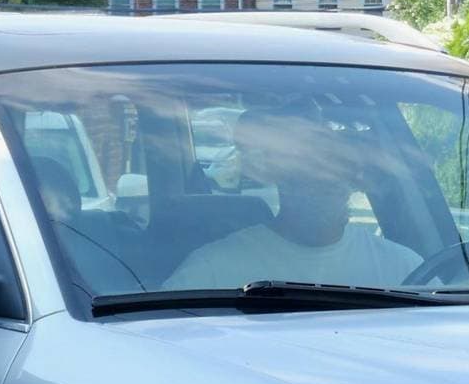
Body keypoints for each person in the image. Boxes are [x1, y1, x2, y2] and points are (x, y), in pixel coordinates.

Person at [164, 107, 422, 289]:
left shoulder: (403, 269)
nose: (324, 177)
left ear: (352, 177)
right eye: (308, 166)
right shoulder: (211, 271)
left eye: (335, 164)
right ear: (280, 175)